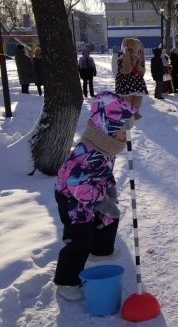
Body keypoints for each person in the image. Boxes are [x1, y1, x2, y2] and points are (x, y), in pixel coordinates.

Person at [53, 91, 137, 301]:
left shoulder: (106, 148)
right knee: (80, 238)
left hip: (90, 192)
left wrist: (109, 188)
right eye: (123, 132)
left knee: (109, 217)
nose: (126, 136)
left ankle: (100, 250)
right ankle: (66, 282)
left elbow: (104, 173)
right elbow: (76, 184)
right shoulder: (89, 152)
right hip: (72, 199)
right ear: (107, 129)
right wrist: (101, 200)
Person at [115, 37, 148, 119]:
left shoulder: (139, 59)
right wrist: (131, 60)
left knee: (137, 101)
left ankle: (135, 111)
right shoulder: (121, 58)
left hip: (137, 83)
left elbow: (142, 72)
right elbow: (126, 70)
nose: (136, 54)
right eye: (130, 51)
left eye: (139, 51)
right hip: (126, 83)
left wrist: (139, 64)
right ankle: (126, 115)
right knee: (127, 101)